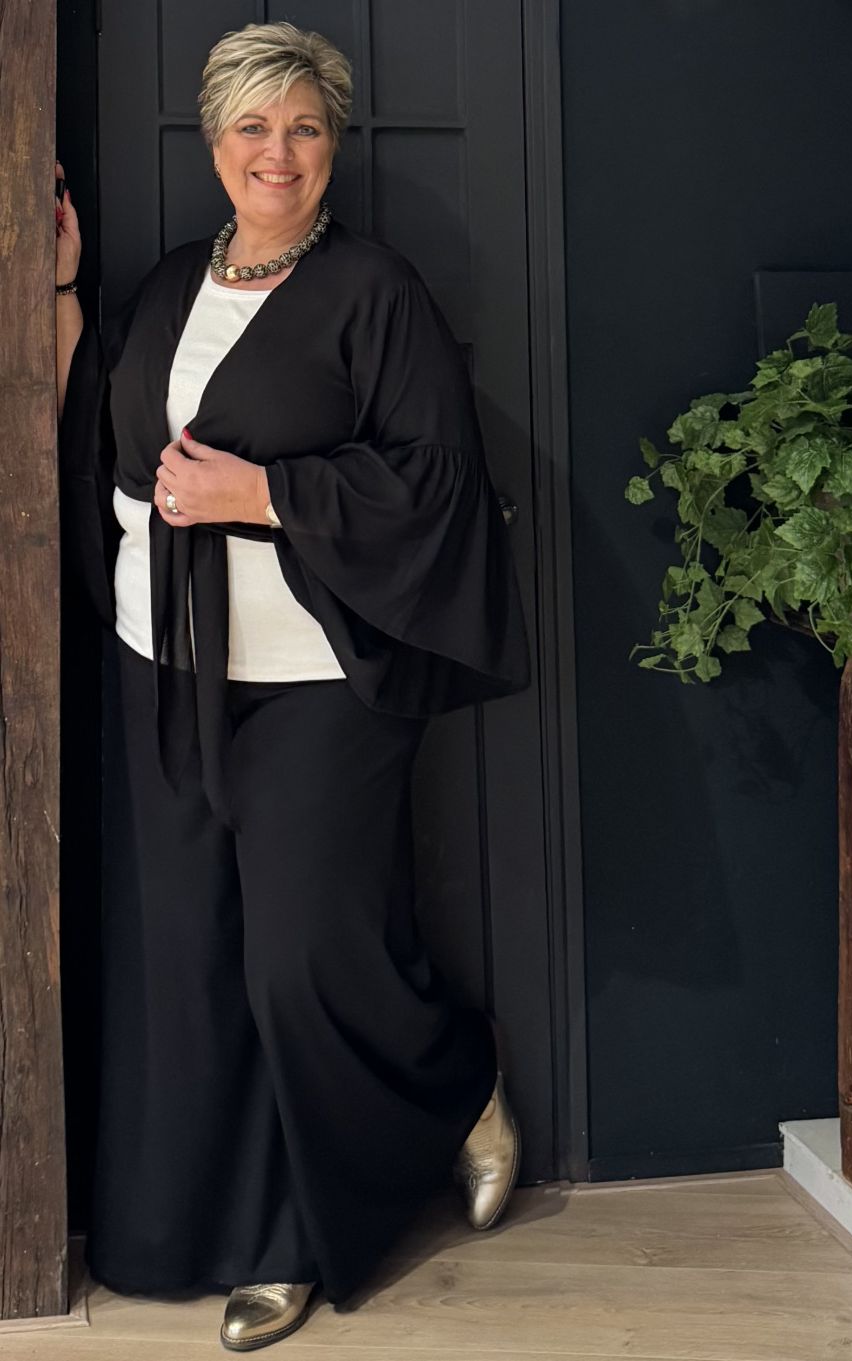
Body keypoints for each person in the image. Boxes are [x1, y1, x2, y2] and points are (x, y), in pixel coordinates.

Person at [55, 19, 531, 1353]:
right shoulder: (168, 285)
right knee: (190, 963)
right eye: (255, 127)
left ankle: (416, 1120)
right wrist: (65, 293)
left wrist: (260, 492)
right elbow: (100, 432)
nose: (280, 152)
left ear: (335, 146)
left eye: (306, 127)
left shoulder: (375, 291)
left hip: (318, 683)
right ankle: (212, 1229)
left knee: (301, 962)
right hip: (165, 670)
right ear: (216, 143)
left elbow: (436, 488)